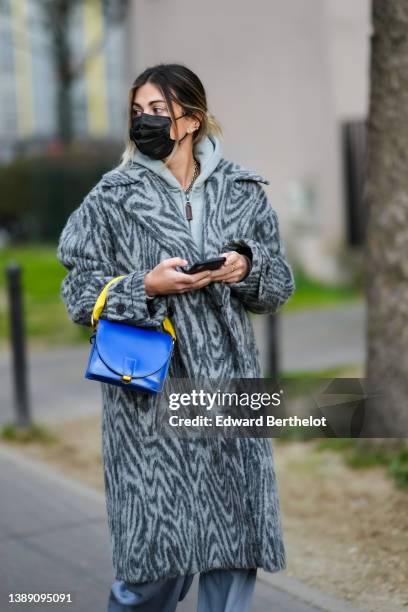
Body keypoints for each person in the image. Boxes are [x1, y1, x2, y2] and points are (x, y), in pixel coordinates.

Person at [57, 62, 295, 612]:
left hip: (226, 385)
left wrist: (245, 267)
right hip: (149, 393)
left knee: (234, 549)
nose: (145, 122)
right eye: (137, 112)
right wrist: (144, 284)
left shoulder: (243, 190)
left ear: (191, 118)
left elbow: (277, 286)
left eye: (157, 111)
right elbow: (77, 293)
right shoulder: (111, 197)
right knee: (154, 573)